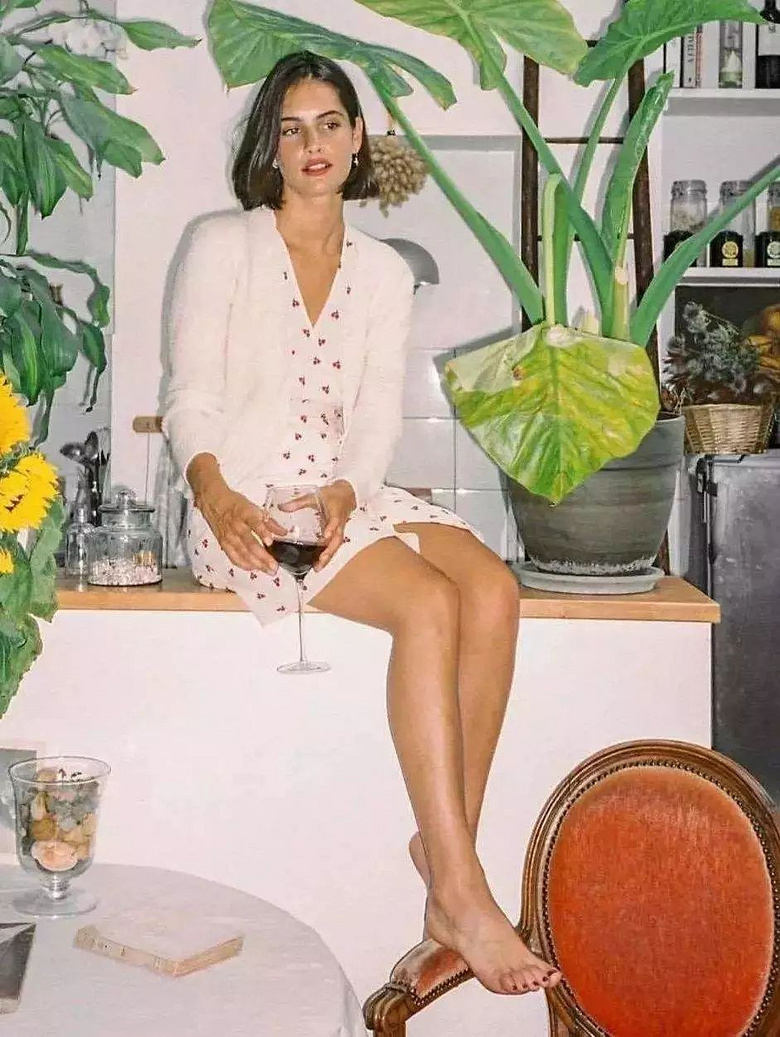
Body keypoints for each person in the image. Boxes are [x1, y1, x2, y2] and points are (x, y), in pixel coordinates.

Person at [162, 50, 561, 997]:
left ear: (357, 138)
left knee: (492, 588)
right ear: (270, 146)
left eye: (330, 123)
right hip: (245, 503)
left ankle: (446, 863)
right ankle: (462, 889)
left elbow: (378, 415)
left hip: (346, 494)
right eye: (292, 127)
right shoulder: (222, 244)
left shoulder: (383, 271)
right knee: (427, 604)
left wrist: (348, 490)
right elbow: (190, 399)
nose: (313, 143)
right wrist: (216, 496)